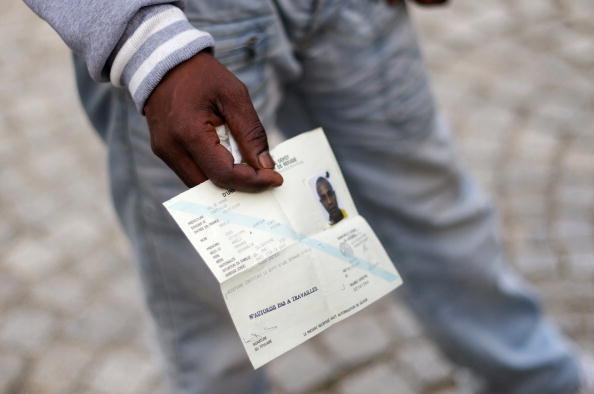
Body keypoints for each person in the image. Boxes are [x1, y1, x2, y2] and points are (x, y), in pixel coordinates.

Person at [23, 0, 592, 393]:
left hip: (351, 11)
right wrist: (138, 37)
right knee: (218, 296)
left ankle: (539, 379)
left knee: (435, 208)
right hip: (181, 34)